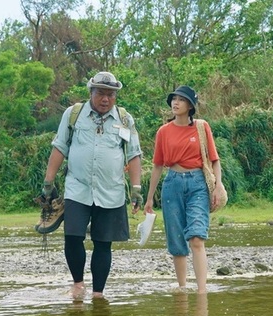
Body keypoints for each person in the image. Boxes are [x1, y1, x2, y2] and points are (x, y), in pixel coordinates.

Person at [38, 71, 143, 299]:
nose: (106, 99)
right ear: (90, 92)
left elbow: (134, 155)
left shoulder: (125, 119)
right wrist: (48, 182)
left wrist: (136, 189)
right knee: (73, 236)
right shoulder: (73, 115)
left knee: (103, 242)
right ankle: (77, 284)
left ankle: (98, 293)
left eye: (110, 95)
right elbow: (59, 148)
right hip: (78, 188)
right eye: (101, 93)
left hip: (111, 190)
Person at [143, 85, 224, 294]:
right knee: (177, 239)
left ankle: (202, 291)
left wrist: (217, 187)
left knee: (197, 236)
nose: (175, 103)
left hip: (198, 183)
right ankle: (182, 288)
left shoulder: (202, 127)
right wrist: (150, 198)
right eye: (174, 99)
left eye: (180, 99)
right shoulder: (163, 131)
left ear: (190, 106)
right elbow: (158, 165)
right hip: (172, 184)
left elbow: (215, 160)